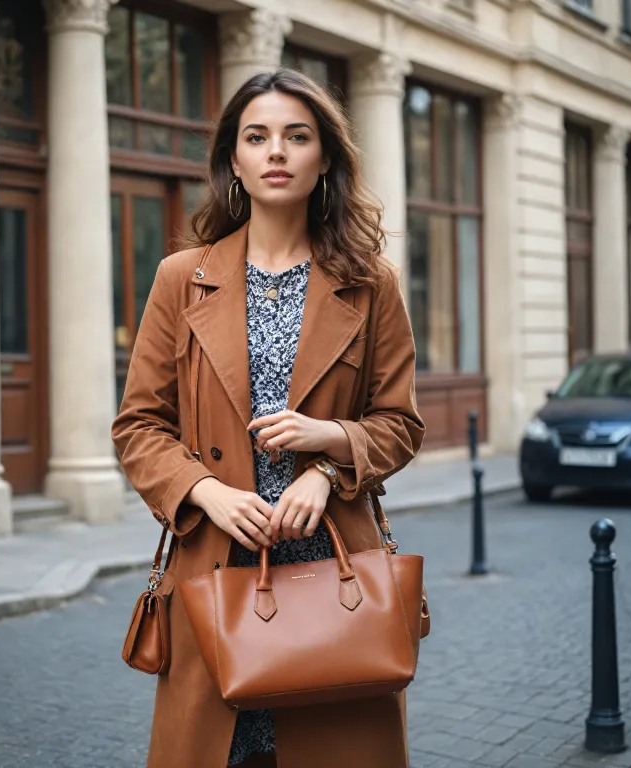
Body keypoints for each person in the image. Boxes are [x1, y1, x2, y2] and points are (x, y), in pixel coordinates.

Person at [112, 68, 426, 768]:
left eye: (297, 136)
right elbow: (139, 426)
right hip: (216, 581)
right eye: (257, 137)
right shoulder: (181, 278)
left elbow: (400, 422)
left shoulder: (371, 283)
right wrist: (207, 493)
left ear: (324, 160)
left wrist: (328, 458)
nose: (276, 151)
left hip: (336, 586)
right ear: (234, 161)